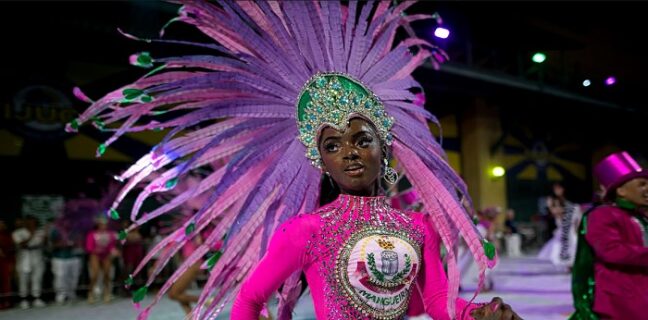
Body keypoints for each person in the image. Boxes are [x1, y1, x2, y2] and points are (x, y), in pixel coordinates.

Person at [68, 1, 521, 319]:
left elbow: (439, 305)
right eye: (332, 145)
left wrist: (478, 314)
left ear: (385, 146)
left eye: (361, 139)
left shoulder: (417, 229)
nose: (349, 151)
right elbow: (248, 301)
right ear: (320, 162)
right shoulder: (306, 231)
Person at [570, 151, 648, 319]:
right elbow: (611, 250)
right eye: (641, 184)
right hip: (620, 301)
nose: (647, 189)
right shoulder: (602, 214)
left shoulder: (639, 216)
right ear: (621, 190)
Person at [537, 182, 581, 270]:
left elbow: (577, 217)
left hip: (570, 228)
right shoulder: (553, 200)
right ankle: (569, 264)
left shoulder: (570, 203)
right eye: (555, 189)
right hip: (563, 228)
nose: (556, 190)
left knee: (573, 245)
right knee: (563, 246)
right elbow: (555, 213)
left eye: (558, 188)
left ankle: (571, 265)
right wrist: (553, 207)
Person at [12, 215, 46, 309]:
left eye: (33, 222)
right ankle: (24, 300)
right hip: (24, 258)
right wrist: (31, 234)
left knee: (37, 278)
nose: (32, 223)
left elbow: (41, 243)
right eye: (29, 222)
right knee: (23, 280)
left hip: (37, 257)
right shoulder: (18, 232)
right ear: (25, 222)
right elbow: (22, 245)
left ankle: (37, 299)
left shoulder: (40, 231)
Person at [85, 216, 117, 303]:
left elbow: (112, 246)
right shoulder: (92, 234)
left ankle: (107, 293)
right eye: (102, 224)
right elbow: (89, 247)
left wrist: (113, 251)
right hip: (95, 255)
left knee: (107, 274)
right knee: (95, 274)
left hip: (106, 255)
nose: (104, 226)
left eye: (105, 224)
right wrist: (95, 250)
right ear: (98, 225)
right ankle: (91, 293)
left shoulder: (110, 234)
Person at [0, 219, 15, 309]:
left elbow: (11, 249)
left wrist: (12, 263)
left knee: (6, 282)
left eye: (2, 224)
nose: (1, 225)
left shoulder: (7, 236)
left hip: (5, 262)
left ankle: (7, 301)